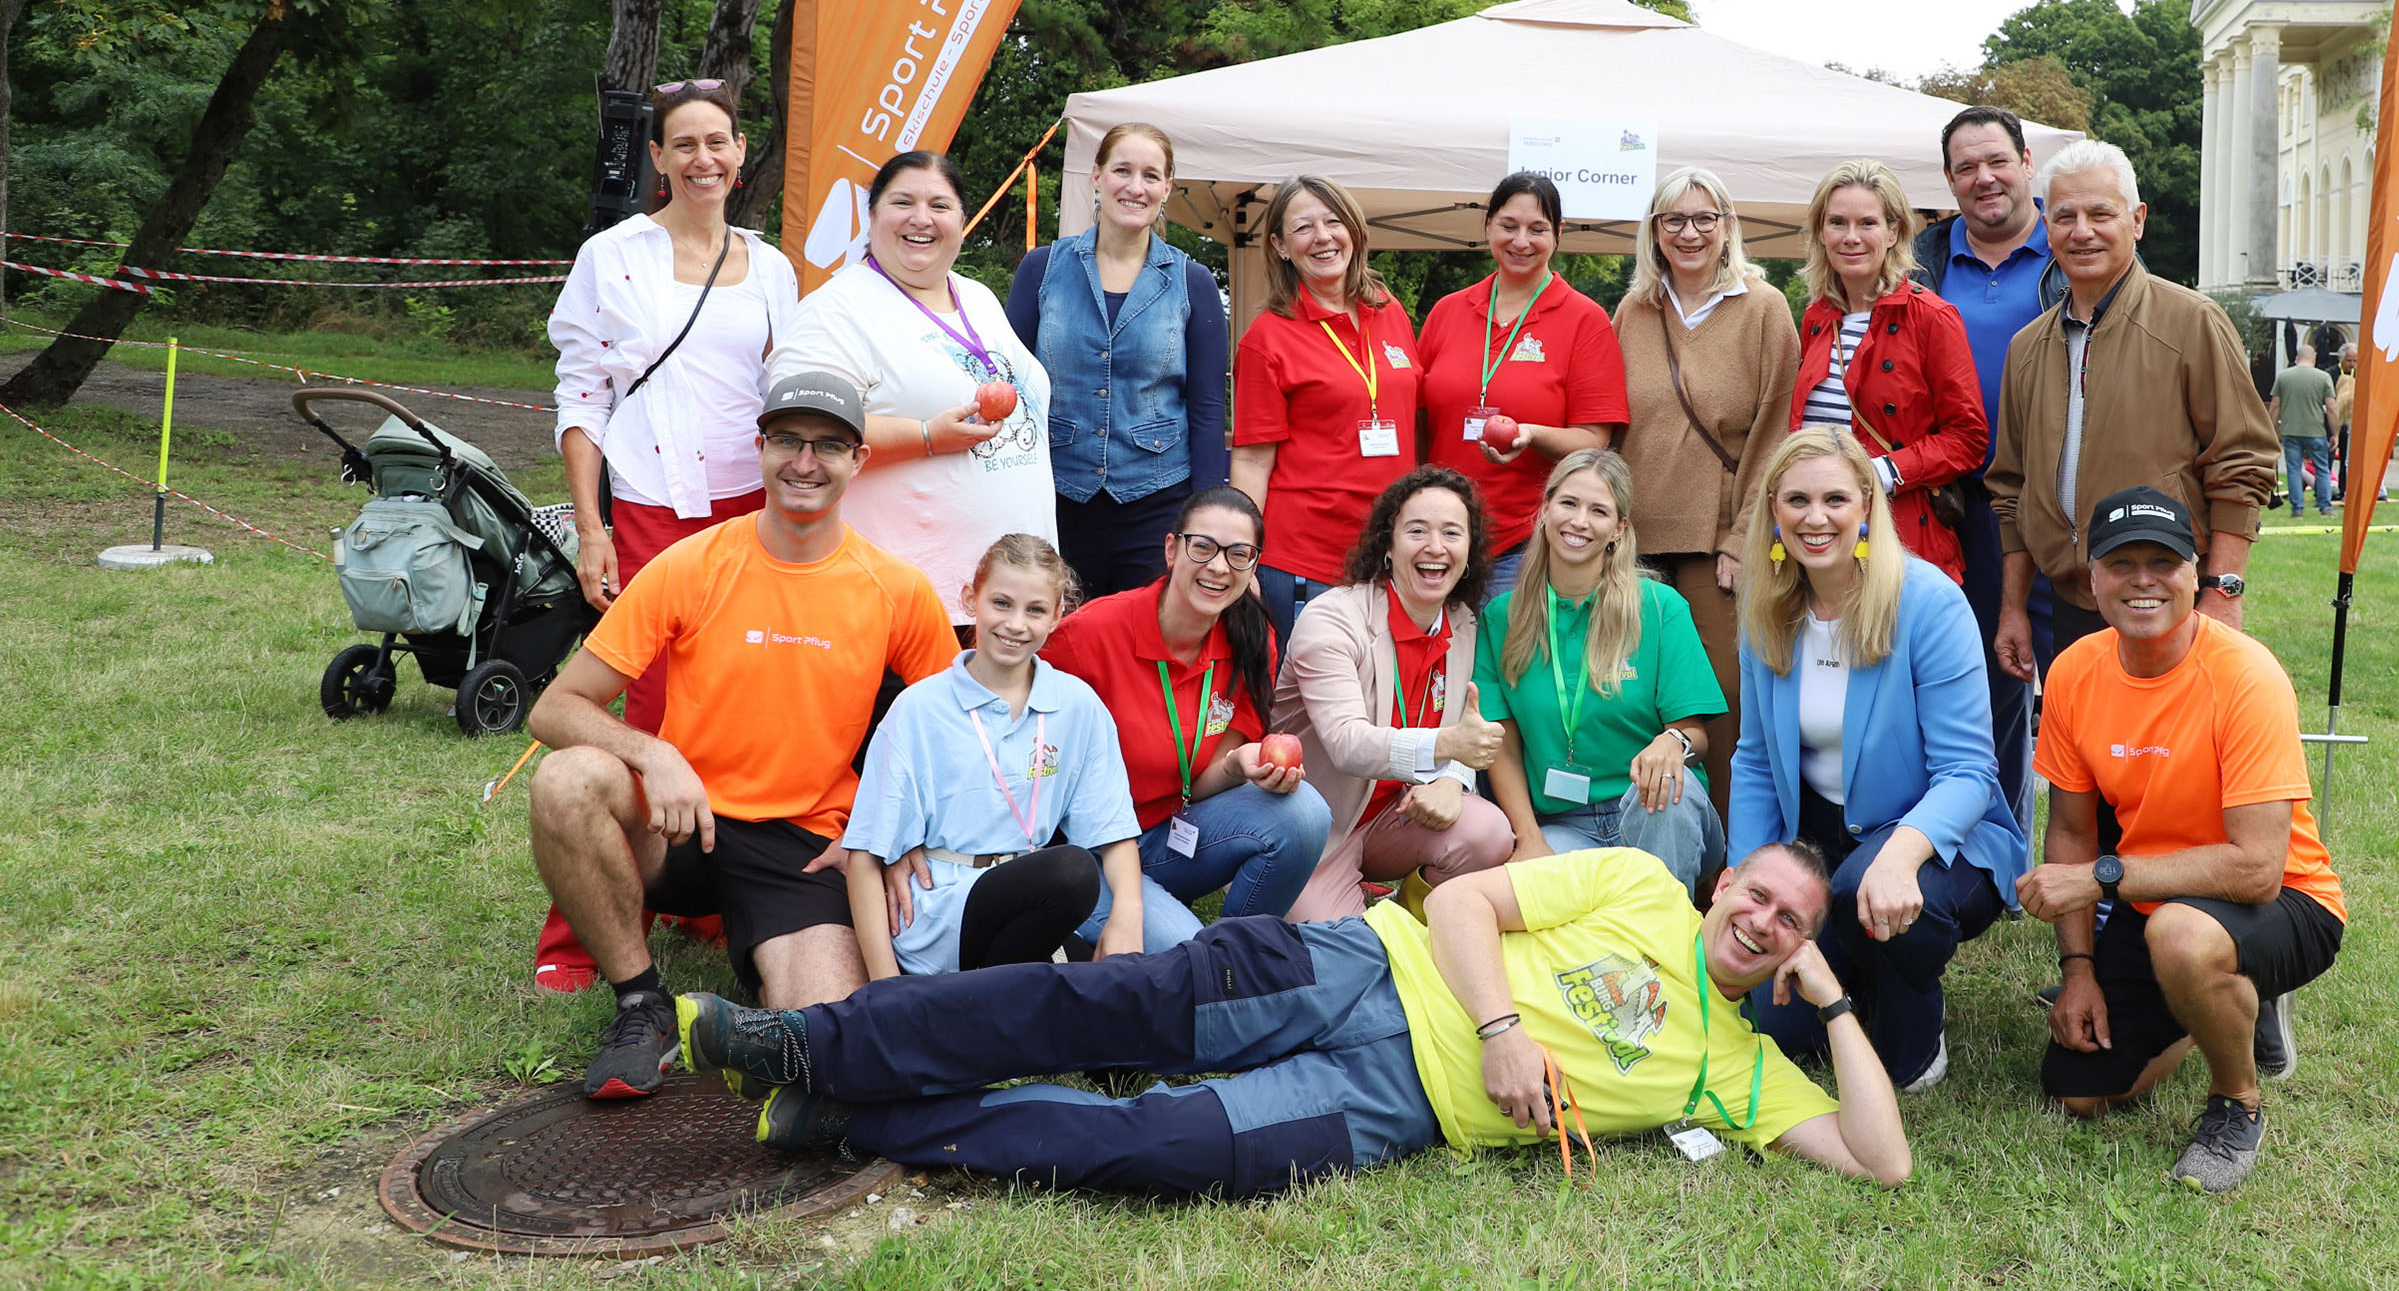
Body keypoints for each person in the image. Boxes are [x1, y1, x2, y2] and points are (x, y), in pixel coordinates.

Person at [673, 844, 1913, 1189]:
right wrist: (1500, 1030)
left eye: (1795, 922)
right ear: (1721, 882)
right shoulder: (1641, 882)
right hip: (1371, 968)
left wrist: (1840, 1002)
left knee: (1154, 1147)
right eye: (1760, 892)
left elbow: (1882, 1158)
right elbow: (1471, 897)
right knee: (1109, 999)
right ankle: (813, 1040)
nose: (1765, 921)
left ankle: (858, 1114)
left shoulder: (1735, 1069)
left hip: (1393, 1107)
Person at [522, 371, 958, 1102]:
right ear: (759, 449)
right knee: (564, 781)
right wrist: (654, 753)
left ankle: (760, 976)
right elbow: (555, 708)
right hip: (683, 821)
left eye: (827, 446)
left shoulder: (896, 588)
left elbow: (953, 730)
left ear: (859, 462)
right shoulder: (693, 564)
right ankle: (642, 1002)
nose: (804, 462)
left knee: (828, 1048)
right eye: (787, 440)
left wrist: (894, 827)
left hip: (805, 841)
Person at [537, 78, 800, 991]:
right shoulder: (612, 256)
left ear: (739, 152)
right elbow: (582, 396)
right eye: (682, 144)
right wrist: (591, 524)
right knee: (640, 712)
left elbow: (784, 395)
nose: (703, 159)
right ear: (656, 158)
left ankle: (702, 893)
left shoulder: (771, 268)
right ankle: (581, 934)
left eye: (717, 142)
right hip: (648, 508)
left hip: (747, 513)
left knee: (737, 705)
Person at [2016, 485, 2346, 1195]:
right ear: (2091, 577)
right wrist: (2079, 971)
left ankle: (2236, 1102)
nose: (2143, 580)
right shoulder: (2074, 670)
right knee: (2079, 1090)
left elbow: (2258, 870)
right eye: (2121, 562)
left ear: (2195, 574)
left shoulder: (2246, 676)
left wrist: (2102, 878)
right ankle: (2217, 1005)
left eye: (2163, 563)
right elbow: (2070, 831)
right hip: (2155, 900)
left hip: (2288, 902)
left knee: (2183, 938)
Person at [1731, 427, 2020, 1091]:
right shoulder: (1767, 607)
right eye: (1797, 499)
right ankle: (1853, 961)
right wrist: (1747, 876)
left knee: (1879, 896)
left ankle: (1915, 1037)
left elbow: (1970, 773)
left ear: (1867, 503)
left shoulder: (1928, 602)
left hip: (1946, 839)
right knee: (1773, 1029)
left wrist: (1899, 856)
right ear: (1773, 508)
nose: (1816, 517)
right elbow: (1751, 759)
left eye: (1836, 498)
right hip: (1823, 841)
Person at [1985, 139, 2275, 695]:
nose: (2082, 231)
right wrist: (2014, 608)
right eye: (2065, 216)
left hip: (2165, 601)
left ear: (2136, 220)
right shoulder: (2027, 348)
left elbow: (2242, 464)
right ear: (2046, 226)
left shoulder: (2192, 322)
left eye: (2101, 213)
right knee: (2084, 771)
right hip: (2069, 608)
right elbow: (2010, 490)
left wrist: (2222, 595)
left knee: (2170, 772)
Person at [771, 151, 1054, 631]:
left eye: (940, 206)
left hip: (1008, 602)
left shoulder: (977, 296)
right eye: (903, 202)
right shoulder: (838, 309)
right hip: (912, 603)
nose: (921, 219)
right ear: (873, 215)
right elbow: (796, 430)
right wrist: (926, 435)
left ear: (962, 220)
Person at [1041, 486, 1334, 949]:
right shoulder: (1088, 636)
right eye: (1203, 547)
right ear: (1171, 549)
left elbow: (1194, 784)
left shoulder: (1252, 641)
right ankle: (1193, 962)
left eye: (1239, 554)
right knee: (1184, 950)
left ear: (1254, 566)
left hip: (1166, 836)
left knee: (1305, 812)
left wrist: (1239, 765)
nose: (1219, 567)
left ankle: (1235, 953)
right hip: (1084, 854)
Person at [841, 535, 1145, 979]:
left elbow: (1113, 830)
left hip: (1034, 904)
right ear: (970, 600)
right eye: (1001, 603)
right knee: (1073, 871)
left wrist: (1127, 916)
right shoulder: (918, 708)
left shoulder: (1078, 705)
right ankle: (959, 1000)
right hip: (944, 910)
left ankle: (978, 1005)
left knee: (1117, 998)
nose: (1016, 624)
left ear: (1058, 614)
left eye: (1035, 610)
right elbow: (865, 856)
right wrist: (886, 990)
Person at [1610, 166, 1801, 820]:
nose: (1689, 233)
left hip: (1715, 544)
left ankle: (1727, 855)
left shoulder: (1764, 308)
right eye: (1674, 220)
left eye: (1703, 219)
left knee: (1721, 697)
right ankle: (1640, 844)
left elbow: (1776, 433)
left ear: (1728, 227)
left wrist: (1743, 536)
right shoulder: (1635, 310)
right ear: (1654, 231)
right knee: (1633, 695)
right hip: (1633, 541)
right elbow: (1613, 426)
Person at [1270, 467, 1516, 920]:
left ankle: (1408, 913)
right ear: (1388, 544)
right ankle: (1353, 912)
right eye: (1417, 531)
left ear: (1469, 551)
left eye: (1452, 533)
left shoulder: (1462, 623)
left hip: (1398, 815)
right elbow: (1346, 743)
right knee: (1339, 950)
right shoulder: (1332, 621)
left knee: (1489, 834)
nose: (1435, 547)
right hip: (1322, 829)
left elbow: (1468, 726)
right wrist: (1446, 748)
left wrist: (1450, 779)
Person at [1476, 451, 1725, 890]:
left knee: (1667, 791)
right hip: (1564, 823)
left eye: (1599, 511)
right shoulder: (1501, 618)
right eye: (1568, 504)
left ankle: (1662, 949)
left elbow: (1695, 734)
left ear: (1619, 529)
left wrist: (1673, 741)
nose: (1580, 521)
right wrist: (1530, 838)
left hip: (1650, 807)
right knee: (1523, 890)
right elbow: (1502, 746)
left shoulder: (1660, 607)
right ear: (1545, 510)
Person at [1910, 105, 2059, 842]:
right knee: (1982, 677)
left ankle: (2092, 849)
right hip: (1959, 506)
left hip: (2063, 502)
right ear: (1947, 180)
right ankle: (1995, 841)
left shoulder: (2074, 249)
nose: (1984, 178)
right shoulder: (1920, 266)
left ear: (2027, 162)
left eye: (1996, 160)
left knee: (2076, 676)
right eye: (1966, 167)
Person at [1004, 122, 1230, 599]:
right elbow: (1010, 389)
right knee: (1059, 639)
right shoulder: (1042, 269)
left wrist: (1208, 517)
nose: (1135, 186)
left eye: (1151, 175)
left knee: (1140, 645)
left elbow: (1207, 407)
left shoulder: (1194, 283)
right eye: (1122, 170)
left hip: (1158, 503)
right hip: (1055, 494)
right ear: (1097, 176)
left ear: (1167, 188)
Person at [1414, 171, 1630, 591]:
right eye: (1508, 226)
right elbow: (1419, 420)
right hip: (1439, 537)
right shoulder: (1447, 311)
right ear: (1488, 225)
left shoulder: (1585, 320)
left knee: (1510, 656)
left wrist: (1530, 434)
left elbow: (1595, 438)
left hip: (1524, 542)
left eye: (1537, 229)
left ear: (1558, 233)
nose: (1521, 241)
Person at [1230, 176, 1423, 638]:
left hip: (1390, 554)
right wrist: (1242, 556)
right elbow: (1253, 461)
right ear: (1278, 244)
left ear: (1353, 230)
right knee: (1306, 705)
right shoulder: (1267, 338)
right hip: (1307, 561)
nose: (1323, 237)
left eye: (1334, 221)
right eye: (1303, 228)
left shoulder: (1390, 311)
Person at [1789, 160, 1986, 585]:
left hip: (1902, 539)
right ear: (1821, 233)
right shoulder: (1816, 318)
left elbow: (1968, 438)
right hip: (1821, 538)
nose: (1851, 237)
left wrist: (1886, 471)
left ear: (1893, 232)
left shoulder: (1932, 317)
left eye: (1868, 223)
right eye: (1837, 222)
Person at [2272, 341, 2334, 519]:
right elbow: (2332, 407)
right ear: (2314, 359)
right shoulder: (2324, 377)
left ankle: (2297, 509)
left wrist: (2271, 428)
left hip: (2290, 430)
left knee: (2293, 468)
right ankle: (2325, 507)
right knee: (2322, 468)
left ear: (2296, 358)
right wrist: (2335, 433)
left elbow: (2275, 406)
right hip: (2316, 430)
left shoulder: (2283, 377)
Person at [2328, 345, 2359, 503]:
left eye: (2355, 360)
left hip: (2350, 421)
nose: (2352, 364)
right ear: (2341, 359)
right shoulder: (2330, 374)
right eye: (2349, 360)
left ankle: (2344, 489)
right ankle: (2325, 490)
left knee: (2347, 459)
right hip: (2333, 421)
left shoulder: (2360, 373)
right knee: (2328, 456)